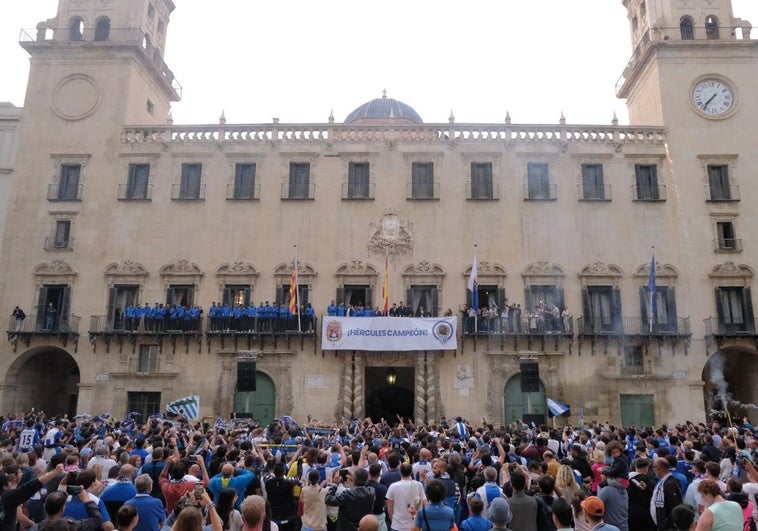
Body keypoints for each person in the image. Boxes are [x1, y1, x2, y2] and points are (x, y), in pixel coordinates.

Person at [28, 489, 103, 531]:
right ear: (62, 508)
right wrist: (88, 501)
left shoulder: (35, 528)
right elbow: (97, 519)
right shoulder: (71, 526)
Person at [386, 463, 426, 531]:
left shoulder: (393, 486)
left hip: (397, 525)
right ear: (411, 472)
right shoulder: (418, 485)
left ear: (400, 472)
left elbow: (390, 508)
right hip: (414, 525)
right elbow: (425, 503)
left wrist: (393, 520)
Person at [651, 457, 683, 531]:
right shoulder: (662, 482)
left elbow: (674, 505)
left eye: (654, 467)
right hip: (661, 524)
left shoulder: (670, 484)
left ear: (659, 469)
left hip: (668, 525)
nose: (653, 470)